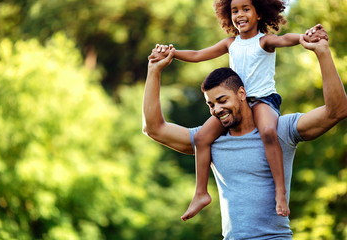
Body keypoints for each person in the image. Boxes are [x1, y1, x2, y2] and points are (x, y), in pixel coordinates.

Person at [142, 25, 347, 239]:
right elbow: (153, 128)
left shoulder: (280, 130)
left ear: (241, 94)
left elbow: (337, 111)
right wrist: (154, 70)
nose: (217, 109)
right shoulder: (210, 140)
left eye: (222, 100)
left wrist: (322, 52)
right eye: (211, 105)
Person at [149, 0, 318, 220]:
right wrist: (172, 53)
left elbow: (285, 39)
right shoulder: (231, 43)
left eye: (246, 9)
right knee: (201, 138)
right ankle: (200, 193)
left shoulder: (264, 41)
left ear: (259, 14)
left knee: (268, 132)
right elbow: (200, 54)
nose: (239, 14)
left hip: (263, 101)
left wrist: (304, 38)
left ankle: (280, 192)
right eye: (234, 10)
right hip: (238, 104)